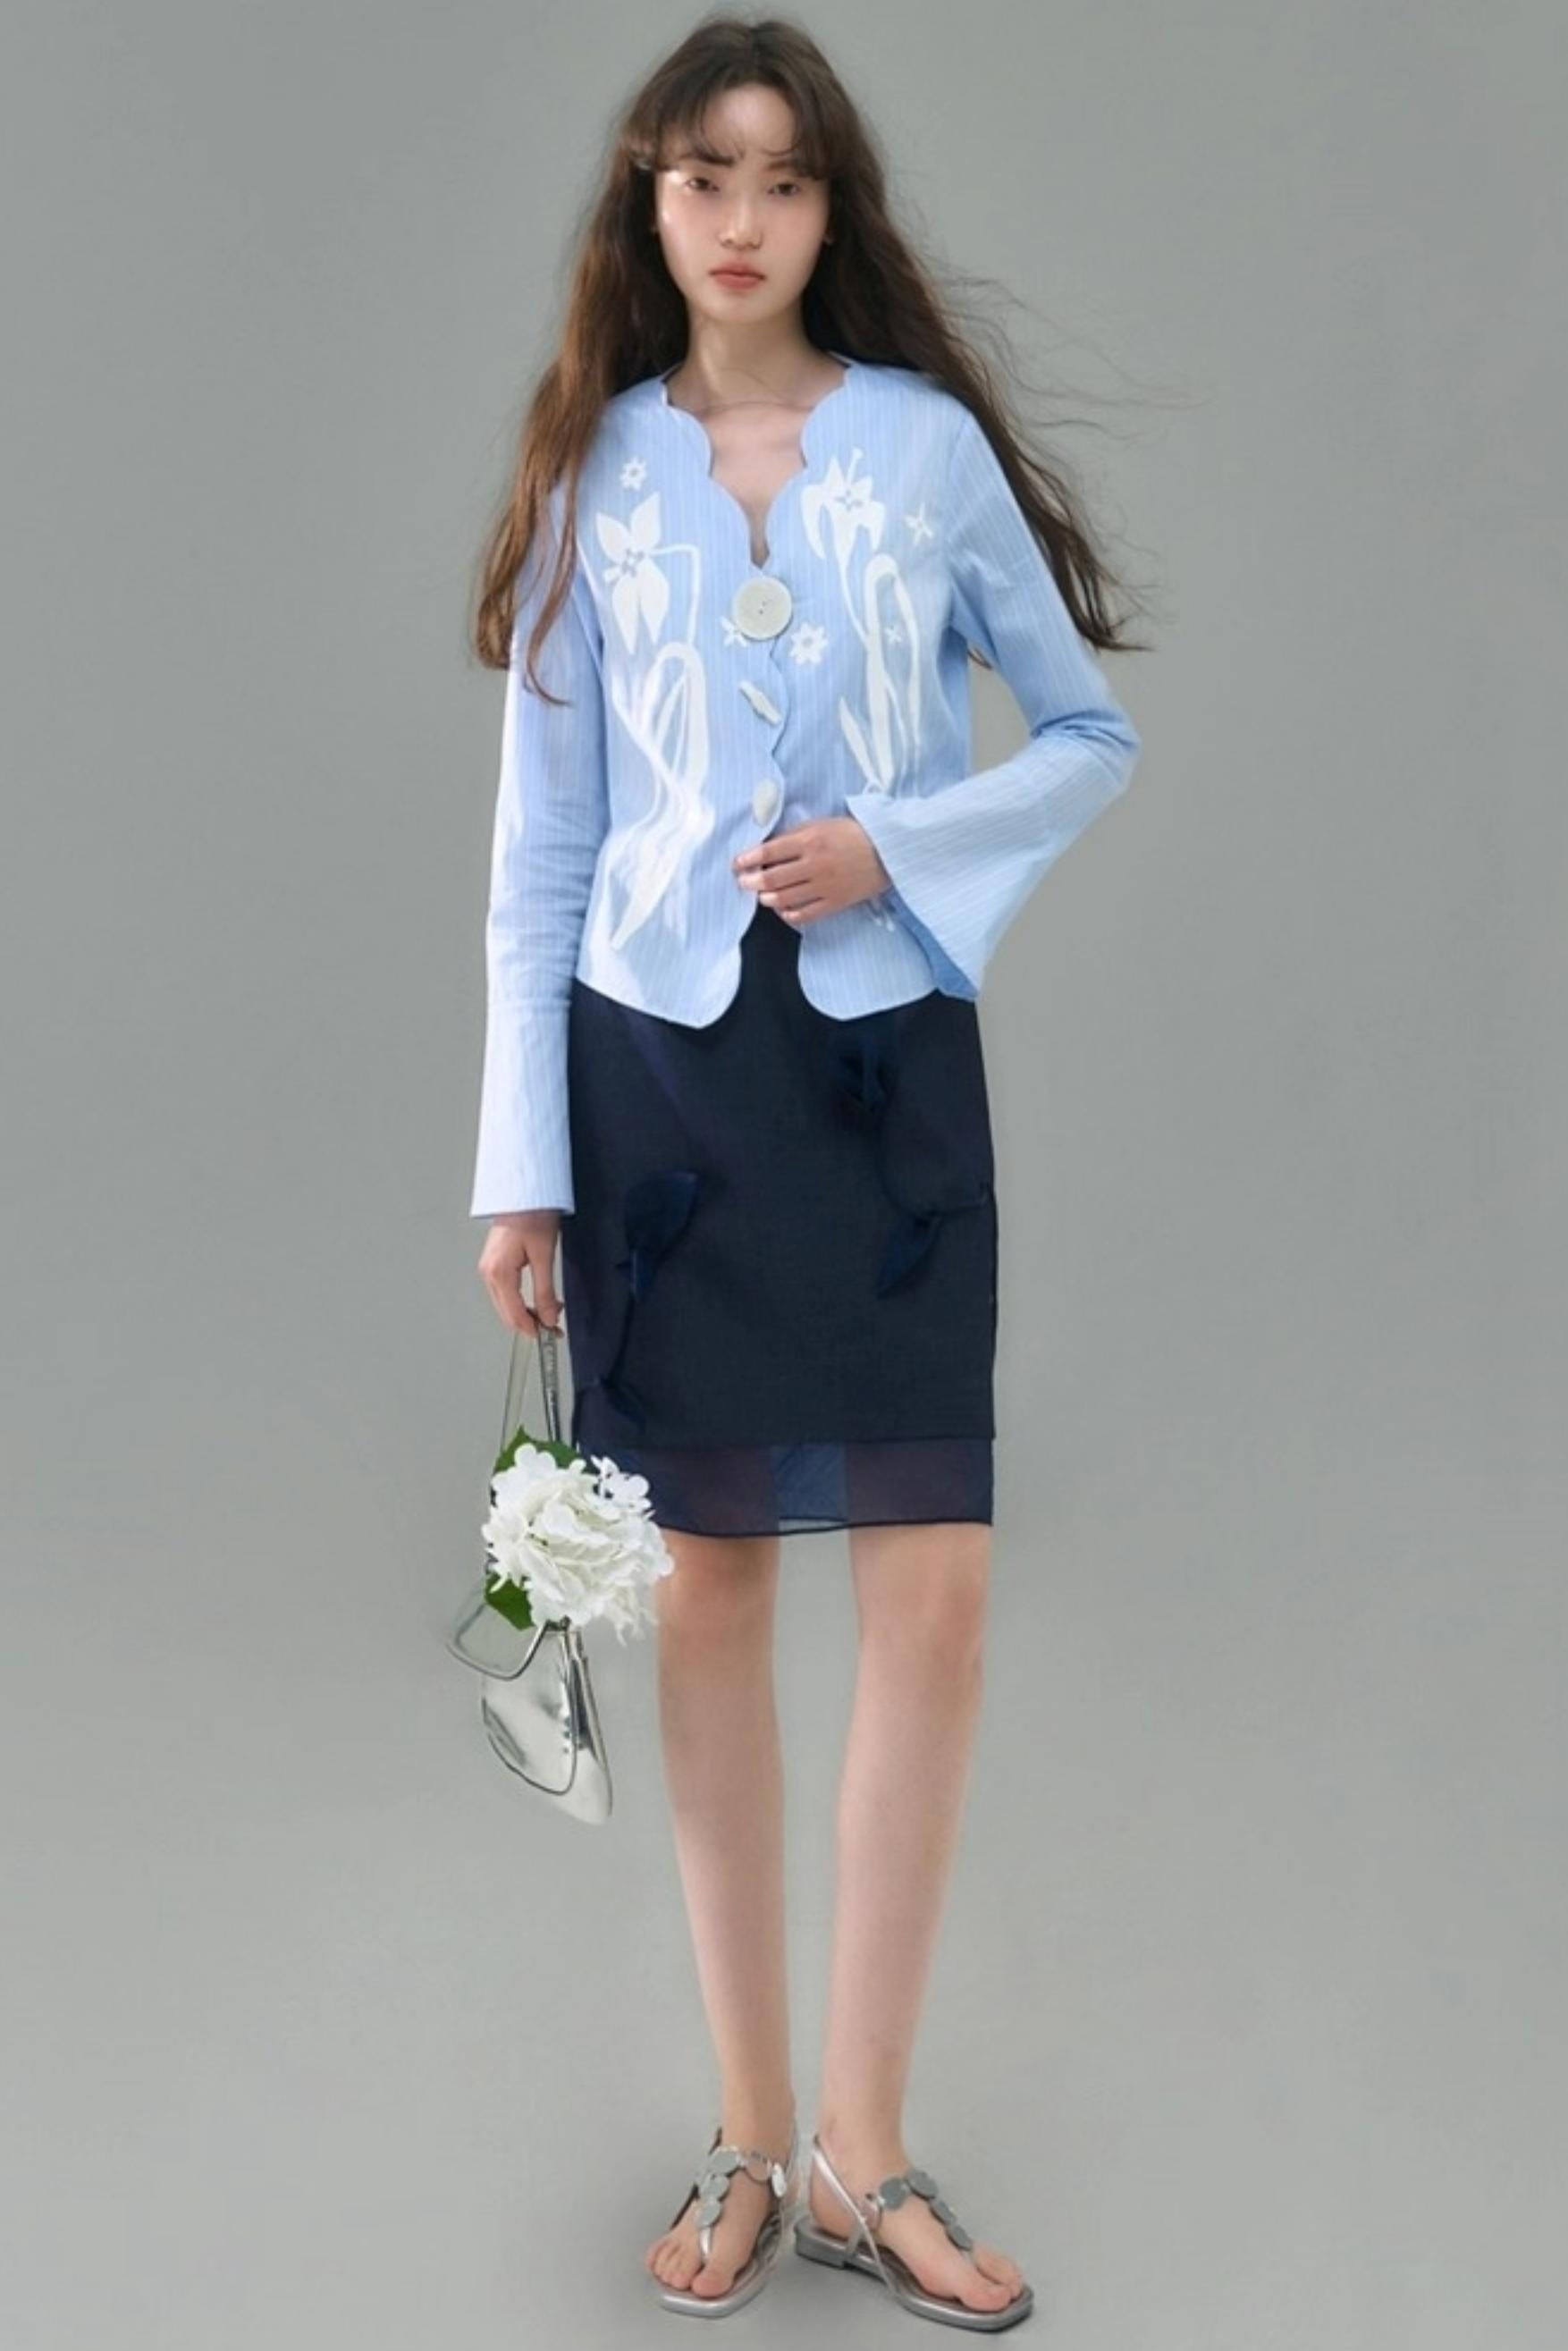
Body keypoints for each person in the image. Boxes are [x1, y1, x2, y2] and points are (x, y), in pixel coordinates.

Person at [466, 15, 1147, 2330]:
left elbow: (1085, 733)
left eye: (780, 178)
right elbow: (538, 854)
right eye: (700, 177)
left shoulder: (924, 451)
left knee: (933, 1595)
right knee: (716, 1608)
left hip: (882, 1079)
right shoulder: (588, 470)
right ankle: (752, 2137)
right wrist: (517, 1171)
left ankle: (870, 2146)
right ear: (647, 207)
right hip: (652, 1090)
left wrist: (898, 846)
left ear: (831, 207)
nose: (740, 219)